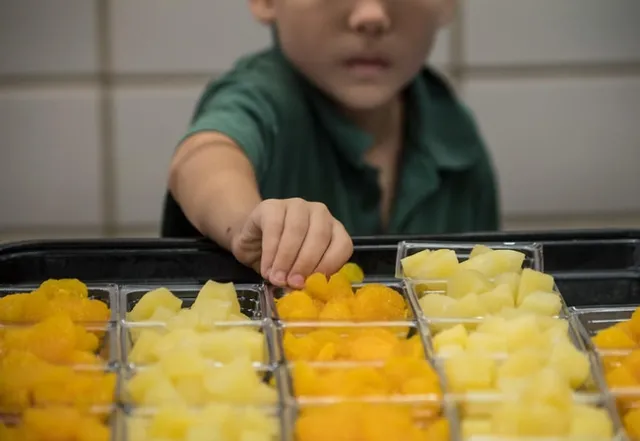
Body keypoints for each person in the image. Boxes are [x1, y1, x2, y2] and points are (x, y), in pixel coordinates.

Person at [167, 0, 500, 290]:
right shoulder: (261, 96)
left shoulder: (451, 127)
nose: (371, 16)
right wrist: (244, 221)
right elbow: (204, 156)